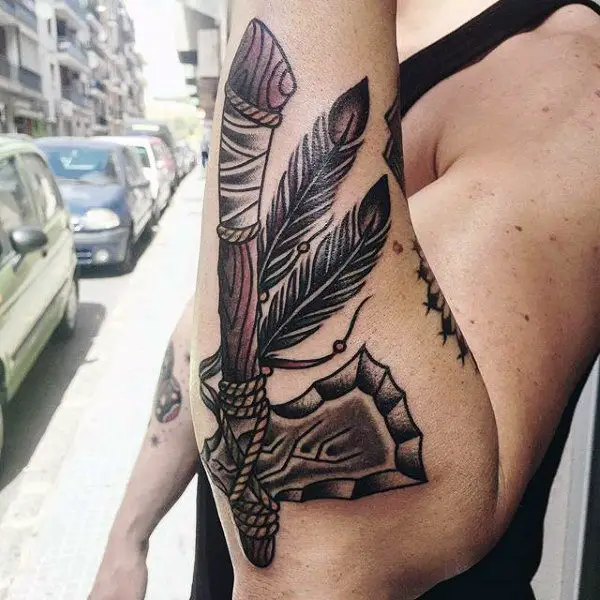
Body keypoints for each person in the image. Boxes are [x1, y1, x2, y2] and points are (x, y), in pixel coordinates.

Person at [90, 0, 600, 598]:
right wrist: (128, 538)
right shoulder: (350, 38)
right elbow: (212, 335)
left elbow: (327, 557)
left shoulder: (566, 78)